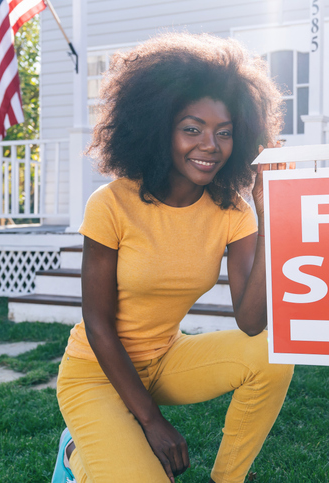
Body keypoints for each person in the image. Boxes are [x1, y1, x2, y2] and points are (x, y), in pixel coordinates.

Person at [51, 32, 294, 483]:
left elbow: (251, 322)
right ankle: (78, 450)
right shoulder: (111, 205)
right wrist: (152, 422)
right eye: (192, 129)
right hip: (96, 371)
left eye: (224, 133)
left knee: (274, 354)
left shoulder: (232, 212)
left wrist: (271, 213)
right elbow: (99, 324)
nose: (210, 145)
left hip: (164, 360)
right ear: (160, 128)